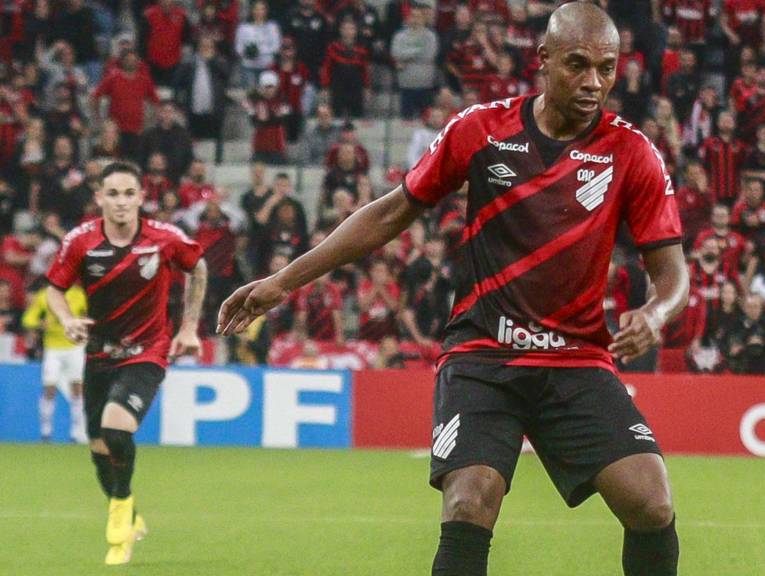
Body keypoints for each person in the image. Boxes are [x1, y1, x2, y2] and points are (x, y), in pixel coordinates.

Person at [219, 4, 687, 575]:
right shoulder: (481, 130)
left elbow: (672, 273)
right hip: (482, 354)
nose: (593, 82)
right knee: (470, 499)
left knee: (651, 501)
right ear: (543, 60)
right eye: (577, 65)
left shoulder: (631, 153)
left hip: (576, 359)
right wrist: (282, 282)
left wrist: (657, 313)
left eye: (607, 69)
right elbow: (391, 212)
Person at [45, 162, 207, 565]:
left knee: (117, 427)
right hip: (99, 353)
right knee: (99, 449)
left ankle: (119, 512)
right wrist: (67, 320)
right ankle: (129, 511)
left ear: (141, 197)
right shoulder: (80, 241)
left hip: (148, 350)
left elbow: (198, 266)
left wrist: (188, 328)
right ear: (99, 198)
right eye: (112, 194)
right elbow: (54, 289)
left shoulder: (164, 238)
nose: (120, 202)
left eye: (128, 193)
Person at [22, 283, 88, 443]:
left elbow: (89, 316)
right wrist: (40, 324)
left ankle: (75, 433)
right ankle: (46, 432)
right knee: (49, 388)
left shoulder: (79, 294)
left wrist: (82, 322)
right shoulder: (45, 294)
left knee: (77, 389)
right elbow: (28, 319)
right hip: (53, 348)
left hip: (75, 347)